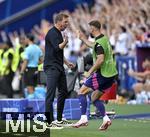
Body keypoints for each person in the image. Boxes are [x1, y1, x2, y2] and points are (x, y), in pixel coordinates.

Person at [73, 20, 118, 130]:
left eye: (90, 28)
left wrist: (90, 72)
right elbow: (93, 45)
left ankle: (83, 118)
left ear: (93, 29)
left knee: (81, 92)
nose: (89, 30)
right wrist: (82, 38)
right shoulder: (104, 39)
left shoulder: (99, 43)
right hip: (111, 75)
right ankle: (106, 119)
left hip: (103, 74)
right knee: (94, 97)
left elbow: (100, 60)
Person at [44, 12, 75, 129]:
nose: (67, 24)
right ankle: (48, 122)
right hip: (52, 67)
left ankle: (59, 119)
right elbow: (58, 47)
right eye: (65, 22)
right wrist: (65, 42)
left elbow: (58, 51)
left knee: (64, 91)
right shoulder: (52, 33)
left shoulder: (58, 33)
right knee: (50, 95)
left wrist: (67, 63)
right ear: (58, 22)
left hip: (59, 66)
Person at [20, 34, 43, 99]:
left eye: (25, 39)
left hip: (29, 70)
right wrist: (35, 62)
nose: (25, 40)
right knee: (35, 88)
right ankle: (37, 105)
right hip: (36, 69)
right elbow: (41, 60)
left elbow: (25, 61)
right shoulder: (38, 48)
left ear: (28, 39)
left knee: (30, 88)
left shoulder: (27, 49)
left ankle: (31, 106)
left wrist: (21, 71)